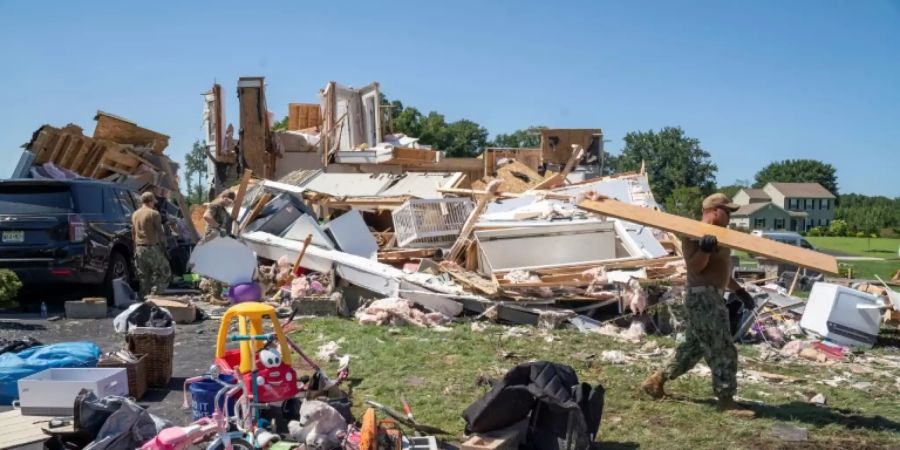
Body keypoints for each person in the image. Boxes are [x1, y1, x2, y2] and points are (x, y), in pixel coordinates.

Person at [641, 193, 757, 418]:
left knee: (691, 348)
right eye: (727, 211)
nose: (730, 216)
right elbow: (696, 268)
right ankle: (726, 400)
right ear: (713, 211)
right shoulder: (693, 232)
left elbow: (720, 271)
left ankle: (656, 381)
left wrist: (739, 291)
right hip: (704, 298)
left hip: (710, 296)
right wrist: (704, 249)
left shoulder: (721, 236)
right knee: (722, 349)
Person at [131, 191, 172, 299]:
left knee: (144, 277)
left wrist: (135, 248)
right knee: (165, 272)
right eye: (153, 202)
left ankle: (144, 299)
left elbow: (133, 232)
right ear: (150, 201)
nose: (154, 204)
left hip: (139, 248)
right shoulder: (154, 213)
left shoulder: (135, 214)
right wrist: (166, 246)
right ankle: (156, 293)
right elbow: (160, 231)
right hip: (152, 247)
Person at [199, 191, 236, 303]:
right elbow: (206, 216)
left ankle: (214, 294)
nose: (230, 203)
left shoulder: (222, 209)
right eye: (229, 201)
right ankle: (215, 296)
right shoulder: (215, 205)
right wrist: (219, 227)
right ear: (223, 197)